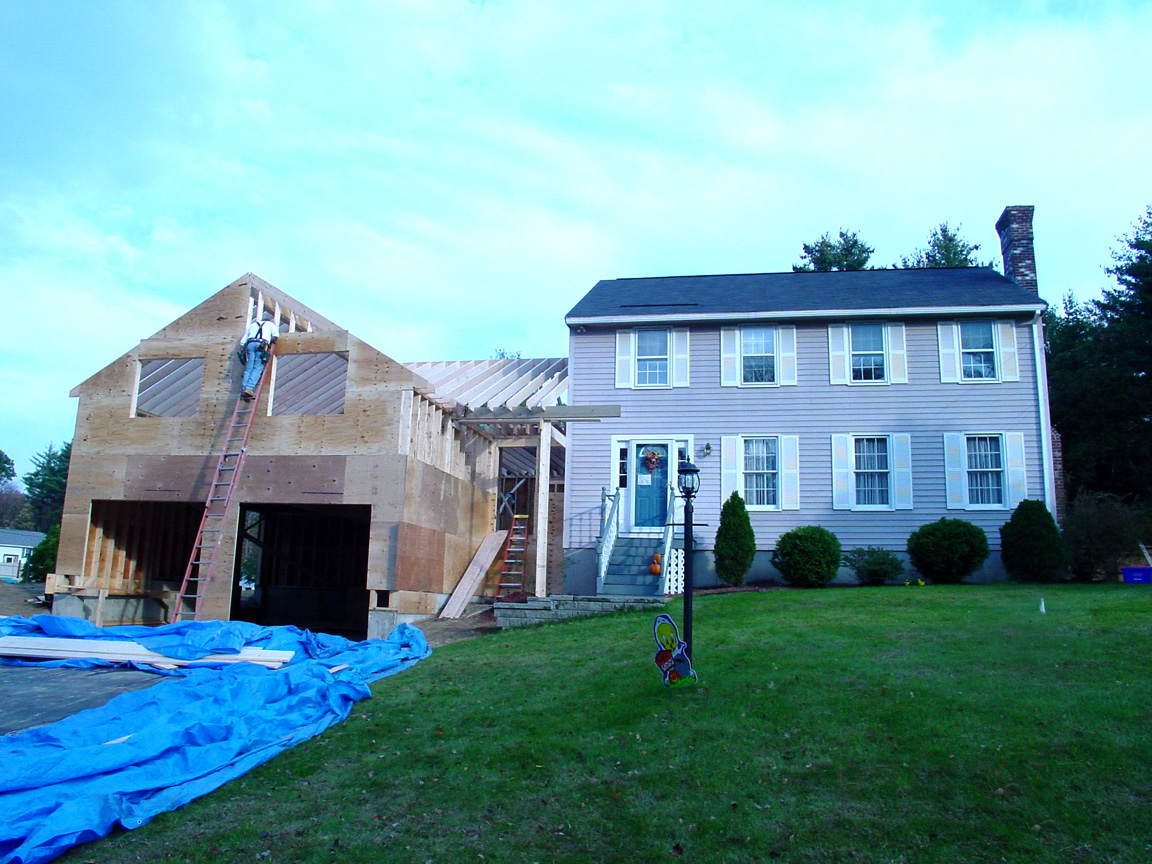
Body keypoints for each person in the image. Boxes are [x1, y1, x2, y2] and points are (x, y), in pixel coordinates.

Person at [239, 313, 278, 399]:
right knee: (257, 367)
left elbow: (242, 342)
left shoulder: (252, 325)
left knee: (249, 368)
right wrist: (269, 345)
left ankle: (244, 388)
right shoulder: (271, 324)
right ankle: (249, 388)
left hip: (250, 344)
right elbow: (275, 337)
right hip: (261, 345)